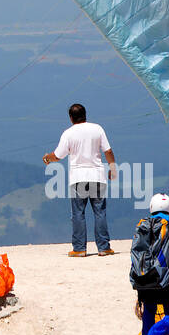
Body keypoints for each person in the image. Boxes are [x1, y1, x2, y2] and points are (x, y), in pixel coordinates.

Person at [43, 103, 117, 257]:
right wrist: (113, 168)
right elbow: (108, 151)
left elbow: (58, 155)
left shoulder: (68, 133)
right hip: (97, 176)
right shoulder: (97, 129)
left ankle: (79, 248)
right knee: (99, 212)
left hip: (78, 178)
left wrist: (47, 158)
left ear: (71, 118)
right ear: (85, 114)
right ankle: (104, 247)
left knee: (78, 213)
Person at [133, 193, 169, 335]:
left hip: (146, 280)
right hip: (167, 281)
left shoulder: (143, 226)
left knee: (149, 313)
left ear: (151, 207)